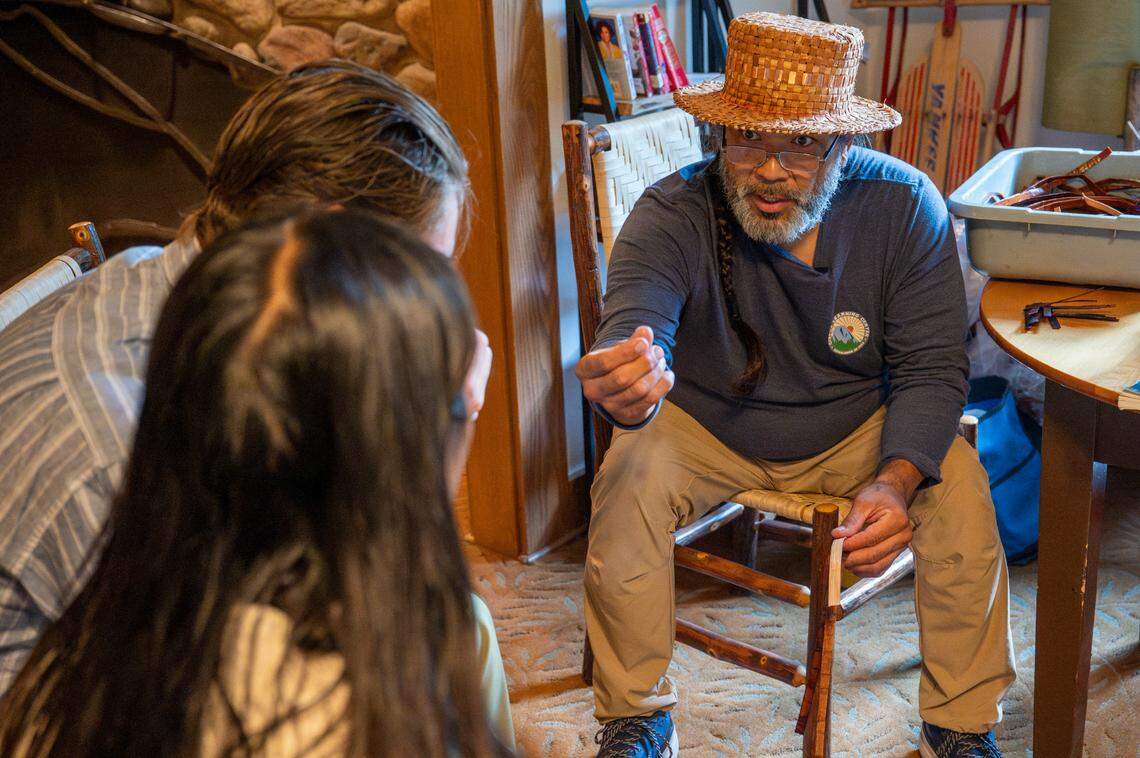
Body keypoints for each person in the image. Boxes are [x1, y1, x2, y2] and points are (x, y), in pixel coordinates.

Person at [0, 61, 513, 746]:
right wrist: (430, 433)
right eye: (420, 274)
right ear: (322, 243)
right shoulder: (119, 445)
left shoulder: (177, 287)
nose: (433, 313)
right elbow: (220, 699)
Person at [581, 13, 1014, 758]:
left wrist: (897, 479)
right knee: (628, 477)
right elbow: (636, 321)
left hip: (855, 429)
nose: (771, 170)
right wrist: (629, 375)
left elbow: (934, 368)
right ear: (721, 137)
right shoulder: (672, 211)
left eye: (803, 144)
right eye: (749, 139)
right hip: (707, 425)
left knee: (962, 490)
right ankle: (636, 716)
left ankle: (959, 727)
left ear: (844, 144)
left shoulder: (905, 208)